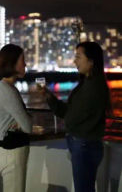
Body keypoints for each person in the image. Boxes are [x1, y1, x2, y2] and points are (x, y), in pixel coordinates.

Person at [39, 41, 111, 192]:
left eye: (78, 57)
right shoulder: (89, 83)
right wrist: (50, 97)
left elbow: (71, 116)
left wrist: (67, 119)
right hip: (85, 145)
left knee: (83, 189)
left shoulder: (93, 87)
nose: (74, 61)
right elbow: (69, 112)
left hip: (84, 146)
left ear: (91, 61)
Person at [0, 44, 32, 192]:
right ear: (12, 63)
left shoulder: (5, 88)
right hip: (12, 154)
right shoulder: (8, 91)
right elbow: (28, 126)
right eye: (23, 60)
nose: (26, 64)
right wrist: (28, 117)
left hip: (8, 152)